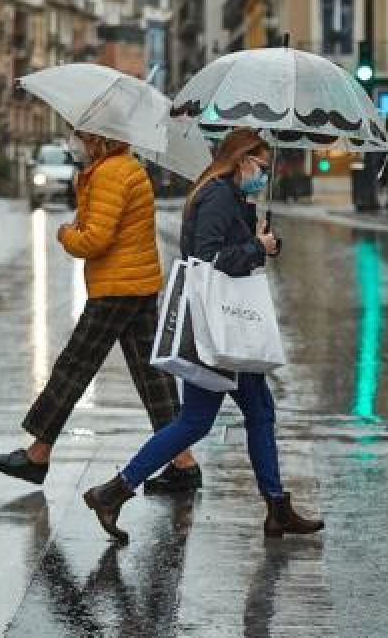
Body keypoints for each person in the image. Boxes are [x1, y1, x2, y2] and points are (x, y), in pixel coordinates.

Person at [82, 127, 324, 544]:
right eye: (261, 167)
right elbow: (205, 259)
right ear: (240, 160)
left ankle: (275, 506)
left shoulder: (230, 196)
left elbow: (228, 249)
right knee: (198, 420)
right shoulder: (215, 196)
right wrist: (255, 248)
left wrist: (259, 238)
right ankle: (114, 491)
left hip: (227, 329)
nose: (263, 176)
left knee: (257, 412)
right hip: (217, 331)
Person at [0, 131, 200, 492]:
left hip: (117, 288)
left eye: (82, 137)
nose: (76, 143)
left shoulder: (110, 173)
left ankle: (37, 455)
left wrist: (67, 234)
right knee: (153, 377)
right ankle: (184, 462)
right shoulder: (125, 168)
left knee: (74, 366)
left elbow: (95, 239)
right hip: (138, 283)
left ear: (99, 141)